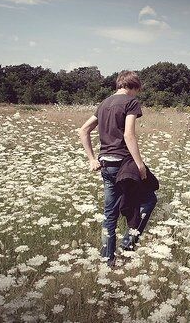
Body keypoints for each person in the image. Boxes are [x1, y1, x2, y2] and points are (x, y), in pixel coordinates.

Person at [77, 70, 158, 267]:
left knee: (110, 213)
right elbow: (129, 135)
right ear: (134, 87)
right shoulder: (131, 102)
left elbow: (83, 130)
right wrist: (140, 165)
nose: (137, 94)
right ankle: (128, 244)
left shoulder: (104, 103)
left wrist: (92, 159)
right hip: (124, 164)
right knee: (149, 199)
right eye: (137, 90)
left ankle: (107, 260)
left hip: (106, 165)